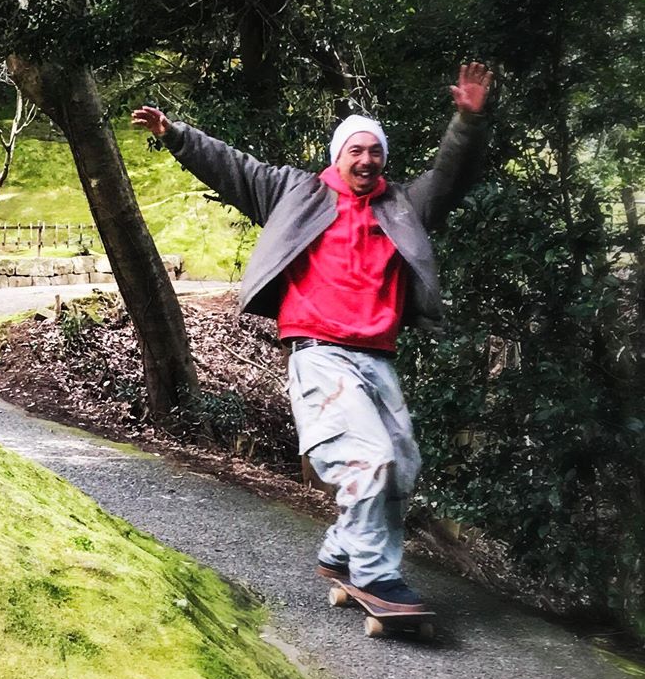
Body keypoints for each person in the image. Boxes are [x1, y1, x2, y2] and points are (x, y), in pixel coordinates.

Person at [130, 63, 493, 618]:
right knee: (368, 460)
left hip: (377, 357)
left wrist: (467, 121)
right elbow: (234, 167)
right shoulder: (296, 192)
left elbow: (453, 173)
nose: (366, 159)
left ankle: (343, 551)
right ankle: (377, 577)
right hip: (320, 354)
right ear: (337, 156)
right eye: (356, 150)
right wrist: (175, 134)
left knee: (402, 463)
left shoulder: (403, 206)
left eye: (375, 151)